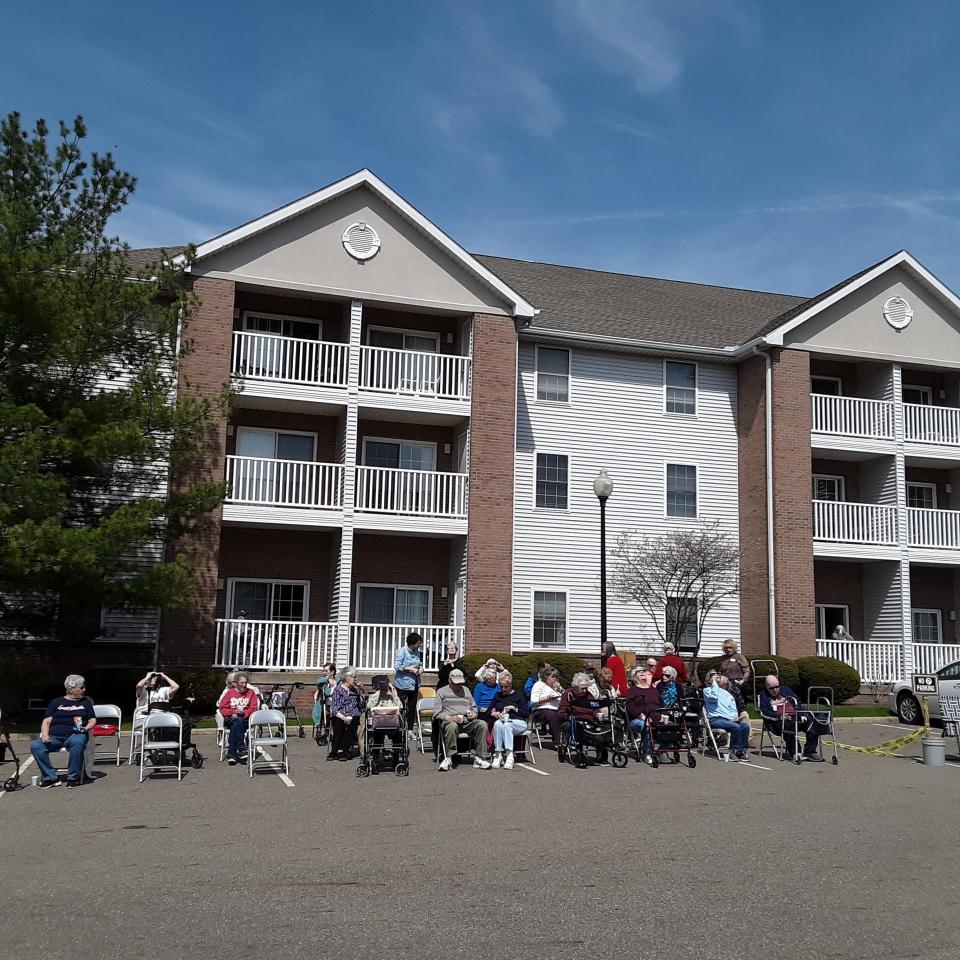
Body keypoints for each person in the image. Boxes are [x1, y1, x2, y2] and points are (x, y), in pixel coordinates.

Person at [30, 674, 96, 788]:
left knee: (78, 742)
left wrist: (86, 728)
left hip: (75, 734)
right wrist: (45, 735)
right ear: (71, 689)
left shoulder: (85, 702)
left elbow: (93, 720)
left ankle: (73, 777)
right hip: (55, 736)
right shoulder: (56, 702)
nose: (84, 689)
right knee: (36, 745)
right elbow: (46, 722)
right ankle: (50, 778)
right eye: (81, 687)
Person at [758, 675, 829, 763]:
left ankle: (809, 752)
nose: (775, 690)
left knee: (812, 722)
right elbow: (764, 712)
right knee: (787, 725)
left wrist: (801, 714)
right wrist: (779, 716)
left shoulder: (786, 690)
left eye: (777, 687)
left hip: (794, 716)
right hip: (776, 722)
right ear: (766, 687)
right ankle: (796, 752)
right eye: (771, 688)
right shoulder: (762, 695)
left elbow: (797, 703)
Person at [434, 669, 491, 771]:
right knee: (452, 725)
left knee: (482, 724)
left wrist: (473, 713)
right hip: (449, 722)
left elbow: (474, 707)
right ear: (449, 680)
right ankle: (449, 757)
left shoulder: (466, 690)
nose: (458, 685)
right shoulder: (441, 692)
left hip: (466, 721)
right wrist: (449, 717)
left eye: (460, 682)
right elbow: (437, 713)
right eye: (456, 683)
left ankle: (480, 757)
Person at [557, 672, 610, 765]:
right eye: (582, 688)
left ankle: (601, 755)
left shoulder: (589, 695)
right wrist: (569, 717)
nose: (585, 690)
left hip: (589, 720)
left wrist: (598, 714)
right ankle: (580, 753)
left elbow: (594, 708)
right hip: (573, 720)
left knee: (605, 726)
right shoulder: (568, 694)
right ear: (576, 686)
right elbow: (561, 712)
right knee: (579, 727)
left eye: (586, 687)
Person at [703, 674, 751, 761]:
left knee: (745, 726)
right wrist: (713, 683)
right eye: (715, 678)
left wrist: (734, 716)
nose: (717, 679)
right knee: (736, 727)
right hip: (715, 719)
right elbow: (713, 697)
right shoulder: (707, 691)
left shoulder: (727, 694)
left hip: (727, 719)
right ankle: (733, 751)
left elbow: (732, 707)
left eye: (718, 677)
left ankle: (741, 751)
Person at [489, 671, 529, 769]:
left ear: (511, 684)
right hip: (503, 721)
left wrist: (515, 709)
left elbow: (526, 713)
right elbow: (488, 710)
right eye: (501, 686)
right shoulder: (498, 695)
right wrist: (493, 713)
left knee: (506, 725)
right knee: (497, 724)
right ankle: (498, 754)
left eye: (506, 687)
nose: (503, 689)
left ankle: (510, 755)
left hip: (518, 722)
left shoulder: (518, 695)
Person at [218, 673, 259, 766]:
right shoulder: (230, 692)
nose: (244, 685)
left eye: (245, 682)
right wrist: (233, 712)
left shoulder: (251, 692)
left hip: (244, 719)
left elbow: (254, 708)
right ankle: (241, 748)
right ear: (236, 683)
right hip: (230, 718)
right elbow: (222, 708)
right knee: (237, 722)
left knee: (237, 724)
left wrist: (243, 713)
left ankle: (232, 754)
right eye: (241, 683)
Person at [625, 667, 661, 763]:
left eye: (643, 671)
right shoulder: (632, 691)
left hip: (656, 718)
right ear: (634, 677)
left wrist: (664, 715)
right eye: (638, 672)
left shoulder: (654, 690)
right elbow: (630, 707)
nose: (642, 672)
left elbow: (661, 704)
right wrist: (641, 715)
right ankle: (647, 753)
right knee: (646, 724)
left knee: (673, 726)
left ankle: (662, 752)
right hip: (638, 720)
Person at [328, 667, 364, 761]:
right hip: (340, 715)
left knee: (354, 725)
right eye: (354, 677)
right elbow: (334, 709)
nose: (355, 679)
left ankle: (341, 750)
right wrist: (344, 718)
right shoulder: (338, 690)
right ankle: (334, 751)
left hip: (353, 715)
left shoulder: (355, 690)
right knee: (338, 725)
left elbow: (360, 705)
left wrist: (360, 691)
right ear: (347, 677)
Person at [393, 632, 423, 741]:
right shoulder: (402, 651)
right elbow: (397, 666)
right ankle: (398, 729)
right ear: (412, 643)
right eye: (418, 643)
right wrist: (410, 669)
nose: (419, 645)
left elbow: (418, 664)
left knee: (412, 707)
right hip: (402, 684)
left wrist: (420, 669)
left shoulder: (417, 653)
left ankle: (410, 730)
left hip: (414, 683)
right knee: (400, 707)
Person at [366, 675, 403, 752]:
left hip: (392, 725)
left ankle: (396, 754)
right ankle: (375, 756)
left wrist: (393, 692)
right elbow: (369, 706)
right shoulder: (374, 698)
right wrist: (378, 694)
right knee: (377, 737)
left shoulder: (391, 698)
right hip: (378, 725)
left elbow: (400, 707)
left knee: (397, 735)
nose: (384, 690)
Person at [530, 666, 564, 749]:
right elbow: (534, 700)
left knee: (568, 715)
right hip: (541, 709)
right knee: (553, 716)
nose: (555, 679)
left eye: (556, 677)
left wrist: (560, 689)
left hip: (557, 709)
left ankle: (569, 741)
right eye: (553, 677)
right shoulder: (538, 685)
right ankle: (557, 742)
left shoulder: (556, 687)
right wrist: (548, 698)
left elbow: (566, 696)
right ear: (546, 677)